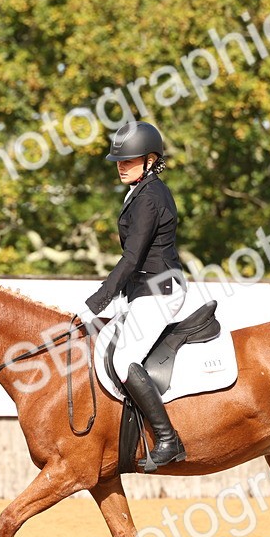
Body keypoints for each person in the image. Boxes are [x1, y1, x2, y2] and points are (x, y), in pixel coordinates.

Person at [74, 121, 188, 471]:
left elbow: (132, 257)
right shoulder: (142, 191)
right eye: (119, 160)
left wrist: (96, 301)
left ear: (151, 159)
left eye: (130, 159)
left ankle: (168, 439)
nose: (121, 165)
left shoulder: (150, 196)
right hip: (144, 290)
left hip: (159, 290)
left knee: (124, 361)